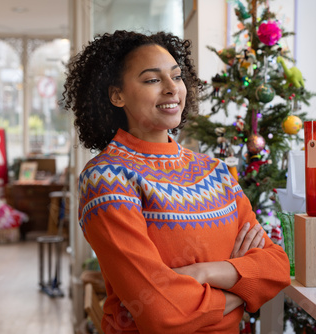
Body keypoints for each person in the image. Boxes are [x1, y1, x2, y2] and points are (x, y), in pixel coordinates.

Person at [63, 30, 290, 334]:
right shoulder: (106, 178)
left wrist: (202, 272)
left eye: (177, 76)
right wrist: (241, 287)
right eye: (152, 80)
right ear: (117, 95)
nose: (172, 89)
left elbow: (275, 267)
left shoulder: (216, 172)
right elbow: (161, 313)